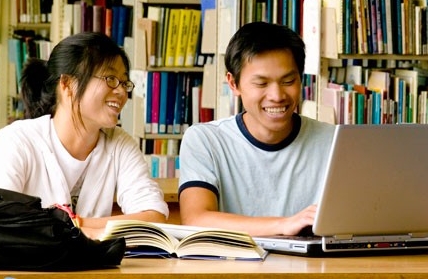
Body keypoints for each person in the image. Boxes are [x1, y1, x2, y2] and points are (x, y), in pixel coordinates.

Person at [0, 32, 169, 239]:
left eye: (124, 83)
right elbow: (5, 223)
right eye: (110, 79)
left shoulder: (120, 143)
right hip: (29, 271)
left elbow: (154, 217)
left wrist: (76, 224)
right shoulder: (16, 141)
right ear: (67, 84)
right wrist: (92, 231)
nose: (121, 92)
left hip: (96, 270)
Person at [178, 22, 335, 237]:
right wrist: (284, 225)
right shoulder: (205, 140)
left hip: (317, 268)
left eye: (288, 81)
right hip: (232, 266)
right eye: (261, 84)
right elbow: (196, 219)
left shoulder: (335, 141)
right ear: (234, 84)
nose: (277, 95)